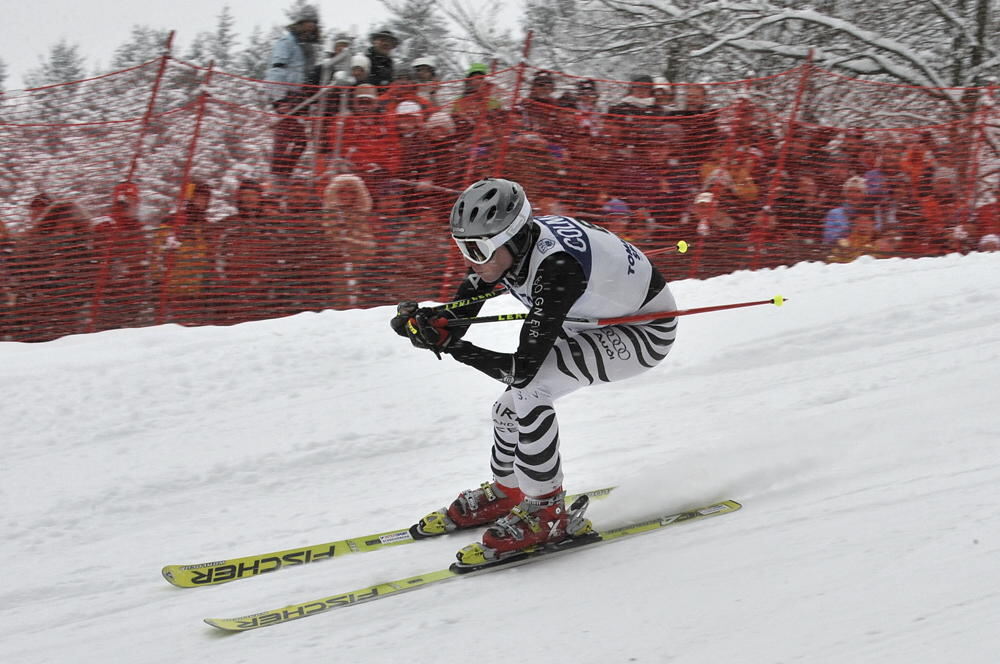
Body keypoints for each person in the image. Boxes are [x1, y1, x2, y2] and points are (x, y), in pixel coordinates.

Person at [390, 178, 678, 565]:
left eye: (476, 249)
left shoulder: (557, 268)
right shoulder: (511, 251)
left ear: (511, 238)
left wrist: (454, 346)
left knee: (531, 389)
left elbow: (522, 369)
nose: (470, 260)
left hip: (642, 331)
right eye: (462, 247)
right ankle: (508, 490)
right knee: (507, 410)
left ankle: (546, 512)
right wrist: (432, 322)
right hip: (593, 319)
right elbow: (466, 304)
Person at [265, 5, 322, 102]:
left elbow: (309, 74)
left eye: (313, 25)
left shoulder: (310, 48)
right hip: (286, 95)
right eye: (308, 24)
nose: (310, 28)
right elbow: (276, 70)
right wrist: (279, 99)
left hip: (301, 94)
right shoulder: (286, 42)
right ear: (300, 24)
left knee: (322, 69)